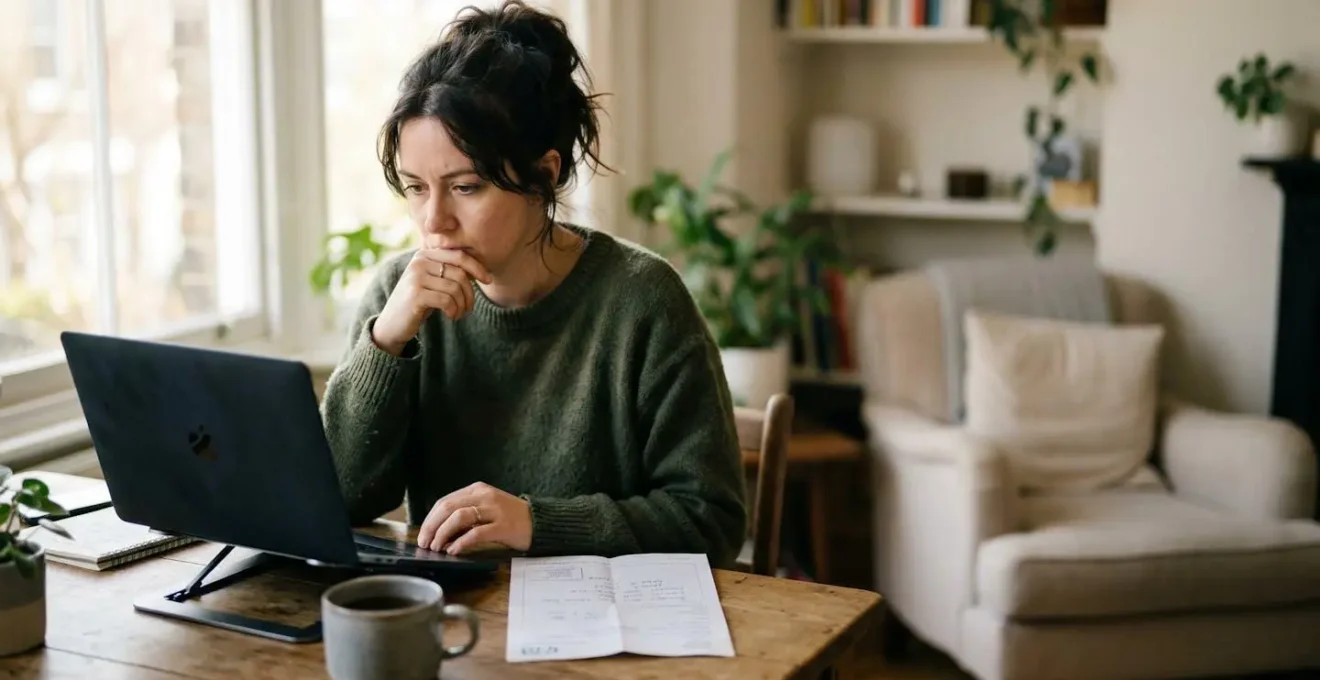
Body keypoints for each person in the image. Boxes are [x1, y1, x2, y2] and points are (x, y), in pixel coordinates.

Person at [320, 0, 747, 568]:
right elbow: (342, 500)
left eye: (466, 186)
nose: (434, 221)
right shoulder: (398, 295)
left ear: (543, 177)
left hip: (609, 635)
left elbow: (711, 519)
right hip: (451, 627)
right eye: (416, 188)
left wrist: (535, 523)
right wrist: (386, 343)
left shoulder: (643, 300)